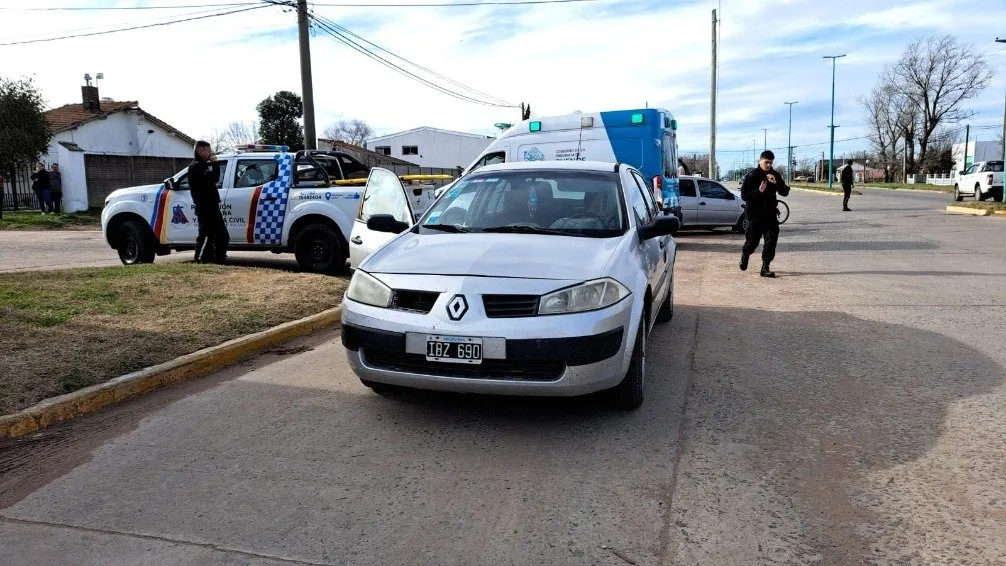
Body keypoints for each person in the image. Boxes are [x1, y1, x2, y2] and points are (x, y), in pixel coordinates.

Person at [740, 150, 790, 278]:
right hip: (754, 215)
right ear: (760, 161)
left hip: (770, 215)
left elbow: (784, 192)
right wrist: (758, 191)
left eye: (771, 163)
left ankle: (765, 267)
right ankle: (745, 254)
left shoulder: (775, 175)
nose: (768, 165)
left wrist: (776, 183)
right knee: (752, 242)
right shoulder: (751, 176)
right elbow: (744, 196)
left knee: (771, 241)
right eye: (766, 162)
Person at [188, 140, 229, 264]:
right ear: (200, 151)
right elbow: (214, 178)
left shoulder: (203, 165)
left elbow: (213, 179)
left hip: (212, 206)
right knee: (206, 235)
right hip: (205, 207)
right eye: (208, 151)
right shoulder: (196, 166)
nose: (211, 153)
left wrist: (213, 163)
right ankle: (199, 259)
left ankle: (219, 259)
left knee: (222, 235)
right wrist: (215, 163)